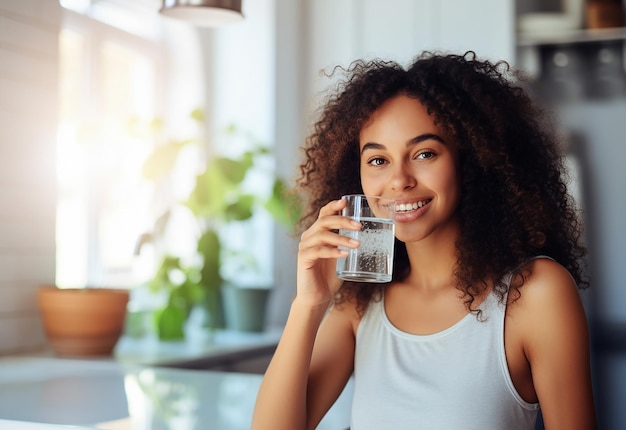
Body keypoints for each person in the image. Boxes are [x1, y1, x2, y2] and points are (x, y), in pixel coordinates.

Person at [251, 51, 596, 430]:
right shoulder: (360, 304)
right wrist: (308, 306)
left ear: (472, 160)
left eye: (424, 153)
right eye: (378, 160)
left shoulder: (535, 294)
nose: (399, 181)